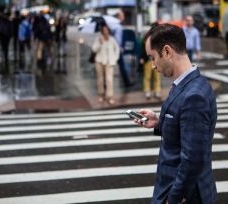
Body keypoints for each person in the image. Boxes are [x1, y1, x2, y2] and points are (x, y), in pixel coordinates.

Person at [134, 24, 217, 204]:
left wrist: (173, 198)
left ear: (167, 52)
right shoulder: (188, 83)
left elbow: (192, 159)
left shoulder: (194, 95)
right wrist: (158, 122)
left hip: (185, 194)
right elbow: (186, 133)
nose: (153, 65)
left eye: (153, 57)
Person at [92, 24, 120, 105]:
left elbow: (117, 49)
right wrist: (99, 43)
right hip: (100, 61)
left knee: (109, 80)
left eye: (107, 30)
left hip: (109, 62)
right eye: (104, 30)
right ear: (102, 31)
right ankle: (101, 95)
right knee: (100, 80)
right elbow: (94, 49)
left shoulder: (112, 39)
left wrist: (115, 59)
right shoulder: (98, 39)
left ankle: (110, 96)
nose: (105, 32)